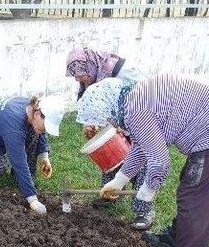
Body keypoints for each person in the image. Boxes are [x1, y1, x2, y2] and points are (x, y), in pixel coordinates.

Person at [77, 75, 209, 247]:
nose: (110, 124)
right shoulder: (133, 99)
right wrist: (119, 181)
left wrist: (146, 193)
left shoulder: (135, 111)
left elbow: (160, 162)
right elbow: (142, 145)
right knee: (190, 186)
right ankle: (176, 238)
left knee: (195, 197)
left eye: (107, 119)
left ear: (109, 109)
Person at [66, 47, 154, 229]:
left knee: (141, 160)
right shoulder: (95, 78)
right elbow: (92, 100)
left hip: (142, 119)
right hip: (119, 118)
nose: (77, 79)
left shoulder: (126, 74)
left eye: (79, 74)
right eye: (74, 76)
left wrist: (122, 129)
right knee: (110, 152)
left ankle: (144, 211)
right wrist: (91, 123)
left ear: (88, 67)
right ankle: (111, 195)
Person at [0, 95, 64, 215]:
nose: (45, 130)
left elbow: (40, 132)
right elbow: (19, 161)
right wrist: (32, 199)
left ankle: (21, 179)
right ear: (37, 115)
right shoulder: (14, 124)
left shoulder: (32, 107)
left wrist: (44, 156)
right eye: (46, 126)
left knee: (34, 132)